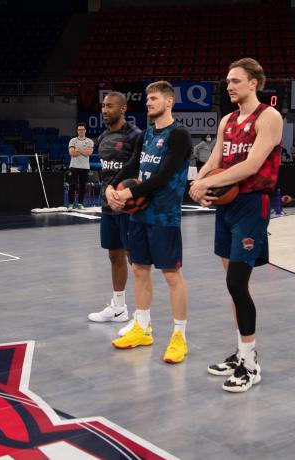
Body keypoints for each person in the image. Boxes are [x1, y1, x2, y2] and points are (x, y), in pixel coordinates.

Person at [189, 58, 282, 392]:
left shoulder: (269, 117)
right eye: (227, 81)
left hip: (251, 205)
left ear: (254, 82)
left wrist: (207, 184)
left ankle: (251, 364)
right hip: (225, 205)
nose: (229, 86)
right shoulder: (227, 120)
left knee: (237, 283)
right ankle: (242, 350)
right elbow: (215, 160)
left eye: (236, 81)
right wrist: (197, 183)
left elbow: (252, 164)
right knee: (232, 285)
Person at [106, 80, 192, 364]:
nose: (149, 103)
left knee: (171, 275)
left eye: (154, 98)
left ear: (169, 102)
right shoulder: (145, 135)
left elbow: (163, 176)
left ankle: (179, 336)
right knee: (140, 269)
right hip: (139, 214)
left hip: (165, 215)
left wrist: (128, 192)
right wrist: (112, 186)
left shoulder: (179, 135)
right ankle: (142, 328)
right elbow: (133, 165)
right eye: (147, 99)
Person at [88, 92, 141, 325]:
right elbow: (107, 172)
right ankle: (119, 308)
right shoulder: (102, 137)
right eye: (103, 106)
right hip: (108, 206)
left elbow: (138, 171)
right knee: (114, 255)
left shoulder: (135, 136)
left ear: (123, 109)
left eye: (110, 106)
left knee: (136, 259)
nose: (104, 110)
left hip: (129, 207)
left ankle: (141, 314)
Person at [67, 123, 94, 209]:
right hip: (74, 166)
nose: (81, 131)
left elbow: (89, 153)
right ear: (77, 131)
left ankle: (80, 204)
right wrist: (83, 151)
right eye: (79, 130)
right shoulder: (73, 140)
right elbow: (72, 153)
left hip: (85, 167)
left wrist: (78, 149)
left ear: (85, 130)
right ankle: (70, 205)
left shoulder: (90, 141)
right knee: (72, 185)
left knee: (83, 186)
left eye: (82, 129)